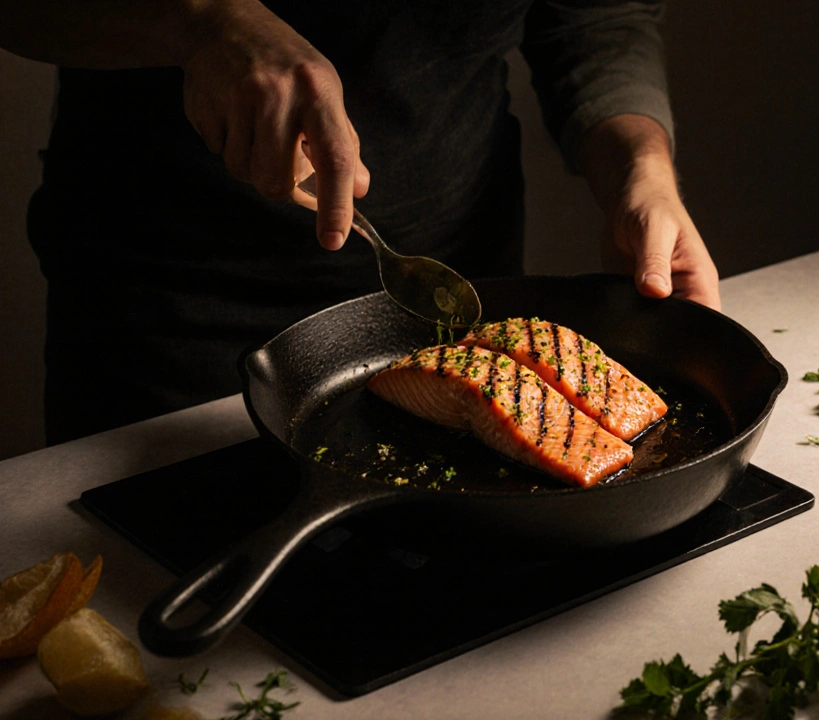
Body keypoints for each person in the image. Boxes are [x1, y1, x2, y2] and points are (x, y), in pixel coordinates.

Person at [0, 0, 719, 444]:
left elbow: (596, 14)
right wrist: (198, 19)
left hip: (457, 277)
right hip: (165, 305)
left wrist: (641, 169)